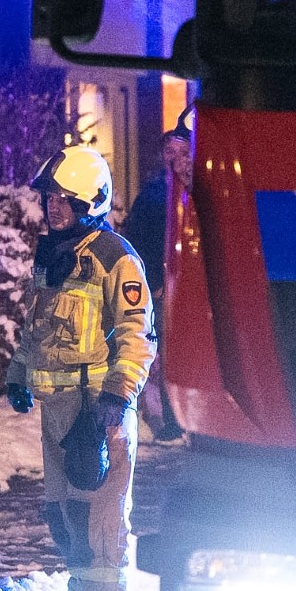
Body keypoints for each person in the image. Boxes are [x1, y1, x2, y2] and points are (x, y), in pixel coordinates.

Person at [6, 145, 156, 591]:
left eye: (63, 200)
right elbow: (39, 325)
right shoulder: (52, 253)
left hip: (98, 412)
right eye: (49, 198)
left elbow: (138, 336)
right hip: (60, 408)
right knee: (64, 512)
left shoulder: (116, 259)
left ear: (91, 201)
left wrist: (116, 400)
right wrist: (18, 370)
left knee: (101, 516)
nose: (52, 207)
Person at [122, 122, 191, 442]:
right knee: (166, 352)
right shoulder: (152, 195)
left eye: (182, 151)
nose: (175, 158)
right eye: (170, 152)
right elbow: (137, 241)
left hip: (193, 286)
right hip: (165, 287)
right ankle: (169, 419)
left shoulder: (197, 192)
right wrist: (152, 281)